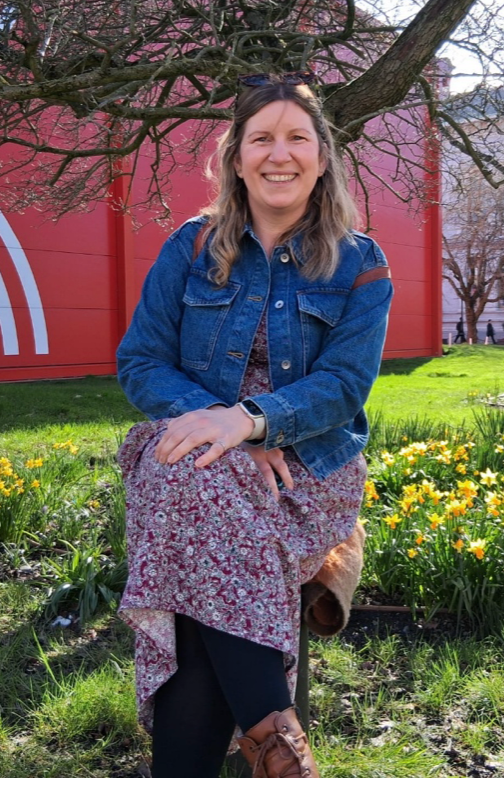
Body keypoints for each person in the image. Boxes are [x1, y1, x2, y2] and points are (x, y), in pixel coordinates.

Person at [116, 72, 393, 779]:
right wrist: (215, 423)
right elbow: (142, 362)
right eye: (261, 138)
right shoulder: (189, 248)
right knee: (195, 470)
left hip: (307, 466)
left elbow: (342, 388)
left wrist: (252, 423)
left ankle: (193, 769)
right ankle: (281, 753)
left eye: (297, 137)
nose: (280, 153)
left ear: (322, 156)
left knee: (195, 486)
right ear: (235, 157)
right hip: (189, 442)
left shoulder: (361, 263)